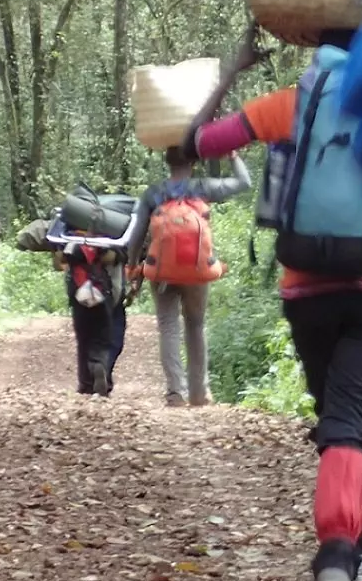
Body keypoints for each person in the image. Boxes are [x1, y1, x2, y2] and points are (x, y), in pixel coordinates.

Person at [180, 25, 362, 581]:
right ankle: (337, 551)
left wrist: (233, 69)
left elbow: (196, 144)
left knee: (339, 419)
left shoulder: (289, 104)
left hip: (306, 289)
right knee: (346, 421)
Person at [127, 148, 252, 407]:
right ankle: (199, 392)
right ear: (194, 163)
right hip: (196, 270)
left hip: (161, 271)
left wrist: (132, 266)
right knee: (195, 325)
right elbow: (244, 182)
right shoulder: (202, 187)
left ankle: (176, 392)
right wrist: (232, 155)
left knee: (168, 326)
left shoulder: (154, 193)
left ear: (167, 161)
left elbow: (136, 234)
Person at [54, 243, 126, 397]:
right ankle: (99, 365)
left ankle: (86, 384)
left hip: (78, 294)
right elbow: (121, 254)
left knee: (83, 340)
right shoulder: (109, 236)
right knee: (103, 338)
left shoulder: (69, 238)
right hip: (103, 294)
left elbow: (58, 259)